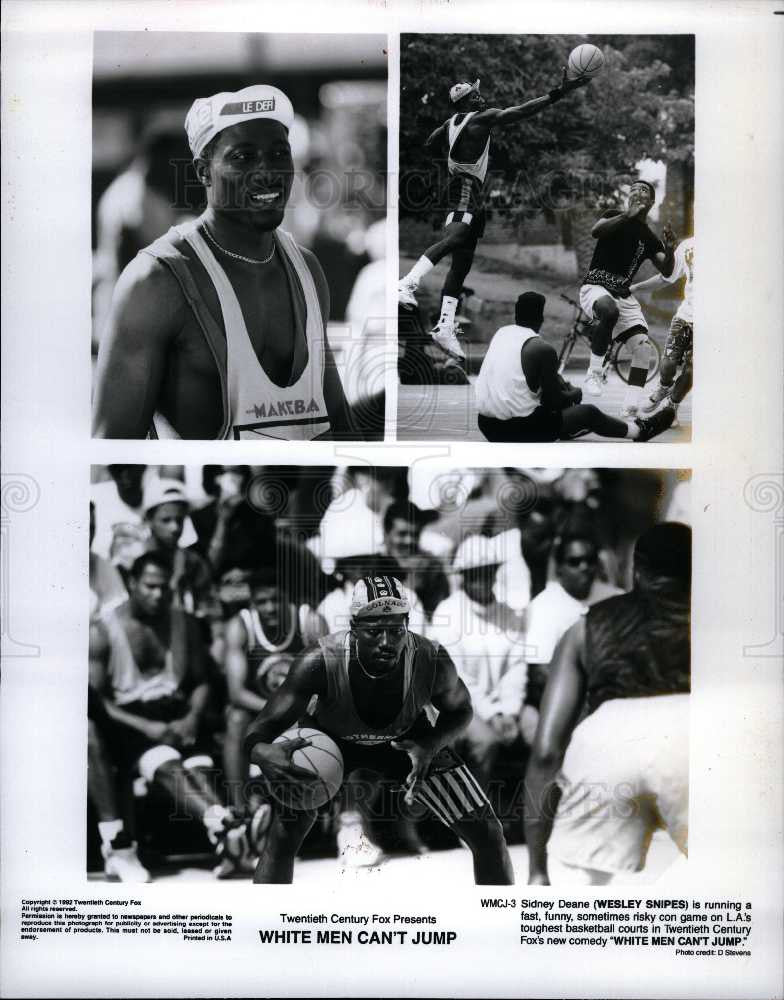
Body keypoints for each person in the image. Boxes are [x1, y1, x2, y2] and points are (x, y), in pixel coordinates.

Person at [93, 85, 352, 440]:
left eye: (279, 153)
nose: (267, 171)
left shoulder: (306, 269)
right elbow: (112, 456)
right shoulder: (156, 281)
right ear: (202, 171)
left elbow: (338, 425)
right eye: (243, 157)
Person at [244, 576, 514, 884]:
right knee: (283, 837)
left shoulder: (430, 658)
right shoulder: (318, 661)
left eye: (396, 630)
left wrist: (431, 743)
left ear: (407, 625)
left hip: (406, 743)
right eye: (374, 631)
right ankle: (262, 930)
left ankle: (497, 925)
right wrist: (261, 752)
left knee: (488, 833)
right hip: (331, 742)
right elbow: (261, 729)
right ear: (354, 627)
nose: (386, 642)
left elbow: (462, 710)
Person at [524, 522, 691, 885]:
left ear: (637, 569)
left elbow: (546, 751)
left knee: (582, 899)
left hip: (608, 742)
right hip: (694, 734)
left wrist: (537, 868)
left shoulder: (586, 626)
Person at [89, 552, 266, 878]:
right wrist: (147, 726)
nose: (158, 595)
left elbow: (199, 682)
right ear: (131, 584)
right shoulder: (103, 630)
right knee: (167, 763)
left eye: (164, 588)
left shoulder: (182, 621)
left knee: (200, 768)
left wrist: (193, 716)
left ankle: (228, 838)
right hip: (129, 716)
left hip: (176, 709)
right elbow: (98, 701)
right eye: (150, 587)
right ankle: (228, 828)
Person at [398, 73, 589, 359]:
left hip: (464, 188)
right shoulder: (482, 118)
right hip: (464, 187)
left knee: (461, 264)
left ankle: (445, 326)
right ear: (468, 101)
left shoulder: (449, 124)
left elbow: (429, 143)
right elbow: (522, 110)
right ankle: (408, 283)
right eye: (475, 94)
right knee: (458, 236)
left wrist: (453, 153)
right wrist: (558, 91)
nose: (481, 96)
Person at [475, 291, 676, 442]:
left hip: (486, 425)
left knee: (555, 385)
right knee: (587, 413)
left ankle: (566, 424)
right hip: (518, 429)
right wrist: (574, 394)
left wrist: (560, 387)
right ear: (541, 318)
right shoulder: (541, 348)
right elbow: (554, 402)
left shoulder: (501, 333)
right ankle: (640, 431)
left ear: (516, 316)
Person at [428, 536, 527, 791]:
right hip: (458, 705)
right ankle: (477, 821)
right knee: (486, 742)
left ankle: (531, 815)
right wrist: (493, 714)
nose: (482, 580)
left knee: (537, 728)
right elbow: (457, 676)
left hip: (506, 706)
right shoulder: (447, 614)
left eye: (488, 572)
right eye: (474, 574)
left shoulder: (510, 614)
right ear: (463, 576)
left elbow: (516, 668)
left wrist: (509, 710)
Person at [222, 569, 325, 811]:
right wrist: (278, 712)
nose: (269, 608)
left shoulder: (308, 621)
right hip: (261, 711)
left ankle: (336, 807)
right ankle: (240, 811)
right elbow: (236, 693)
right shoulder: (240, 626)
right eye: (261, 602)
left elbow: (328, 678)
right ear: (252, 602)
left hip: (304, 709)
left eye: (275, 600)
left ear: (287, 597)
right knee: (235, 718)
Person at [579, 180, 677, 414]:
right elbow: (596, 231)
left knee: (643, 349)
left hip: (623, 295)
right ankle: (594, 372)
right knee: (609, 310)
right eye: (633, 189)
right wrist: (626, 215)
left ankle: (630, 405)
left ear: (651, 202)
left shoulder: (649, 237)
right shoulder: (614, 215)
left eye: (644, 189)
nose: (638, 191)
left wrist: (671, 249)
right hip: (596, 287)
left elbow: (666, 269)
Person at [524, 531, 622, 710]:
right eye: (574, 562)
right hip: (568, 704)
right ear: (559, 568)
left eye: (590, 560)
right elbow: (540, 672)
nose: (584, 567)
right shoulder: (543, 606)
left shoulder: (616, 598)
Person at [632, 235, 694, 426]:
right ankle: (663, 387)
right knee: (668, 363)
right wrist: (635, 287)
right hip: (685, 316)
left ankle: (671, 407)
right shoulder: (689, 245)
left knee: (692, 371)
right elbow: (666, 277)